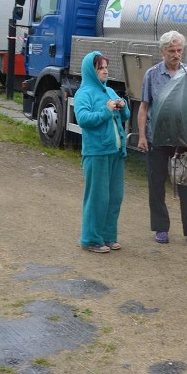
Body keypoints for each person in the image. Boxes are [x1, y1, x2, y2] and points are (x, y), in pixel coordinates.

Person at [137, 31, 187, 245]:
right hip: (157, 138)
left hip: (182, 139)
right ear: (162, 51)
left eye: (179, 50)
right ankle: (161, 228)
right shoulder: (152, 75)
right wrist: (142, 136)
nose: (176, 54)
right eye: (171, 51)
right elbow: (144, 107)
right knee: (156, 184)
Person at [75, 51, 130, 253]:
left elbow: (126, 114)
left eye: (106, 67)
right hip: (96, 153)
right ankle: (90, 239)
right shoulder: (84, 93)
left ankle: (108, 236)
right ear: (91, 71)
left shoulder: (109, 91)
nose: (105, 71)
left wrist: (123, 106)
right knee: (97, 197)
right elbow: (83, 119)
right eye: (101, 68)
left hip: (115, 152)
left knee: (115, 196)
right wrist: (106, 111)